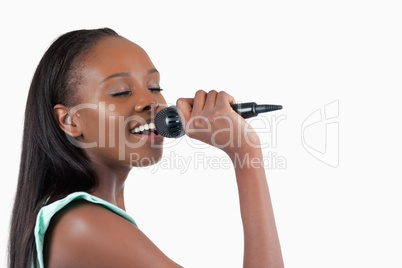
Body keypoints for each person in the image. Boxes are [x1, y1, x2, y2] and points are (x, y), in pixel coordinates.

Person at [8, 28, 284, 268]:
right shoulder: (81, 226)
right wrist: (245, 153)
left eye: (154, 86)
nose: (150, 102)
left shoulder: (85, 221)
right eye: (120, 92)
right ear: (70, 121)